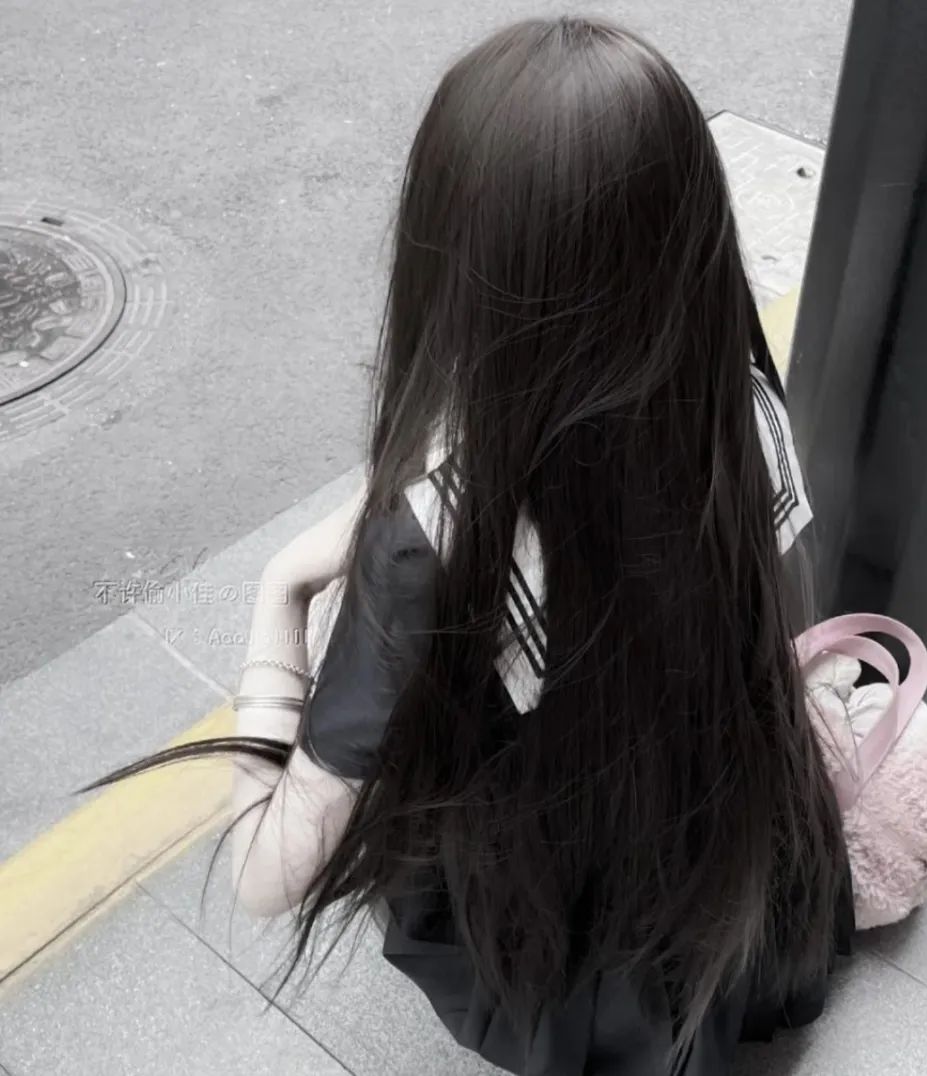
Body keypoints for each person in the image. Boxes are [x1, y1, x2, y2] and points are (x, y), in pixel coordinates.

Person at [103, 17, 852, 1074]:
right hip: (730, 854)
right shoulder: (742, 401)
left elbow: (268, 873)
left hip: (568, 913)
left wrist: (278, 597)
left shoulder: (436, 544)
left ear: (454, 255)